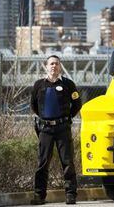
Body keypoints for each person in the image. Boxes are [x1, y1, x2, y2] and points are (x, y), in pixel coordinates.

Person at [30, 55, 82, 205]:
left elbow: (77, 104)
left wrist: (67, 118)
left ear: (60, 67)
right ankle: (39, 196)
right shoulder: (39, 85)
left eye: (57, 64)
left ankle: (71, 195)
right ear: (46, 66)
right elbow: (33, 105)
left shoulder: (68, 84)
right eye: (51, 64)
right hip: (45, 130)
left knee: (67, 162)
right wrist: (44, 119)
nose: (54, 66)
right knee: (42, 163)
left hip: (62, 129)